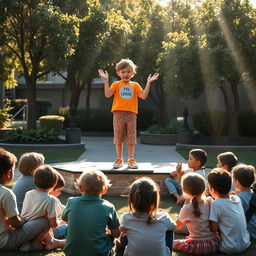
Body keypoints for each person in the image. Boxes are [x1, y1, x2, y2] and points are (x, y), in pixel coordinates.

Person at [98, 59, 159, 169]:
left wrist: (148, 82)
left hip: (131, 115)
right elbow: (107, 94)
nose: (126, 74)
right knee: (118, 137)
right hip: (118, 114)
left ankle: (131, 159)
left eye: (128, 71)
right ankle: (119, 159)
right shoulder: (116, 84)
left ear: (132, 73)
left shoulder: (135, 85)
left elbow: (144, 96)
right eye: (123, 72)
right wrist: (106, 81)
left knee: (131, 138)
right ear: (118, 73)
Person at [0, 148, 50, 251]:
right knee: (44, 222)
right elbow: (15, 224)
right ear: (9, 173)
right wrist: (24, 219)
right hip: (4, 242)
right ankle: (35, 245)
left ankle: (25, 244)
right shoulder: (6, 193)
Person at [62, 170, 120, 256]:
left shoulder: (71, 202)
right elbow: (116, 234)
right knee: (113, 240)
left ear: (80, 188)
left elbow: (65, 220)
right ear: (105, 189)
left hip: (72, 252)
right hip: (98, 253)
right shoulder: (108, 207)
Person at [120, 177, 176, 256]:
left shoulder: (126, 218)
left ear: (132, 199)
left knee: (124, 232)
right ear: (155, 199)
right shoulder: (163, 217)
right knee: (169, 230)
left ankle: (123, 250)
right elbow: (174, 227)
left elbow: (120, 229)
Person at [21, 165, 66, 250]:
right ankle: (38, 244)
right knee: (47, 221)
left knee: (44, 219)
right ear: (55, 184)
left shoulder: (29, 193)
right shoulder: (50, 199)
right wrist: (60, 222)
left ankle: (31, 243)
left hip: (25, 228)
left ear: (34, 181)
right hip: (37, 231)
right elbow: (53, 224)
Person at [173, 172, 219, 255]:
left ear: (184, 191)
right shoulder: (210, 201)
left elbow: (177, 227)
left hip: (197, 246)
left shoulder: (187, 208)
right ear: (204, 188)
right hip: (213, 244)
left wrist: (185, 205)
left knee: (173, 242)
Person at [208, 168, 251, 254]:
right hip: (246, 243)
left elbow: (214, 228)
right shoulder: (237, 198)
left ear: (213, 189)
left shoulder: (216, 204)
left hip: (229, 248)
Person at [232, 164, 256, 240]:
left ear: (237, 181)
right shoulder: (253, 193)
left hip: (248, 233)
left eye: (232, 178)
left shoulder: (238, 198)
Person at [49, 172, 68, 239]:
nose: (60, 193)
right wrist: (61, 222)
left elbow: (64, 209)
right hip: (51, 233)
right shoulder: (52, 200)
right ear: (51, 189)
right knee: (68, 227)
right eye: (59, 191)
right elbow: (54, 225)